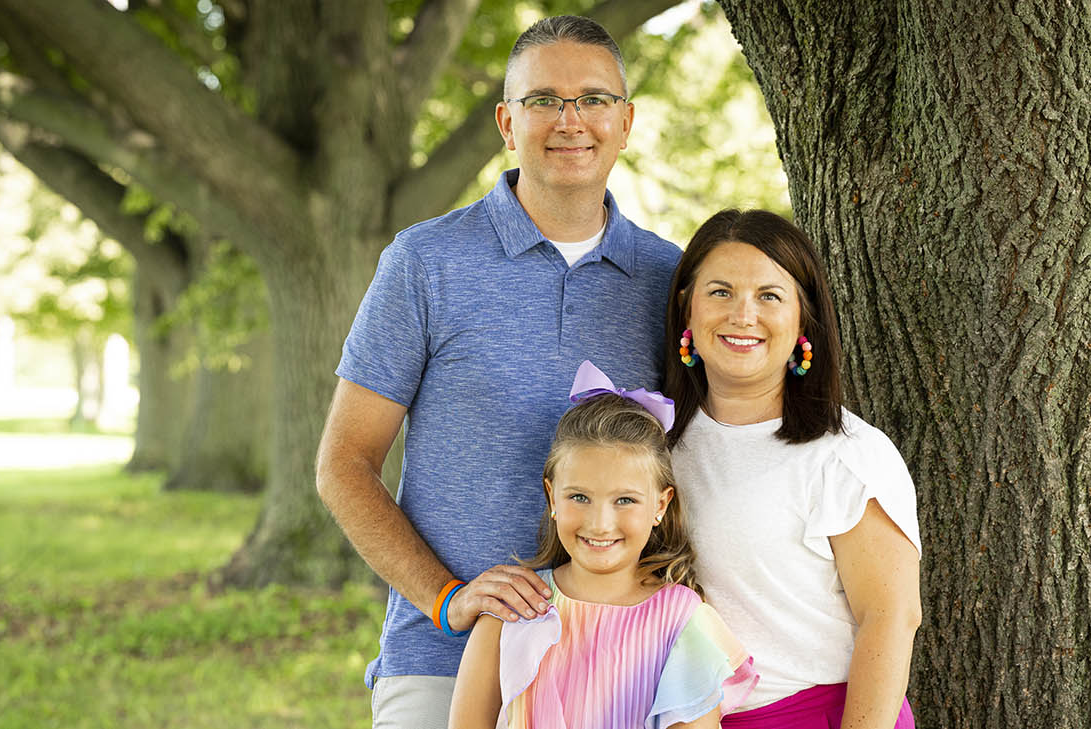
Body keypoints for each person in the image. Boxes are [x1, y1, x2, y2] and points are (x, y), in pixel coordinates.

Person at [314, 15, 682, 726]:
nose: (570, 119)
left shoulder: (669, 279)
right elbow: (343, 463)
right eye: (543, 99)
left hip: (619, 660)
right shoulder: (424, 263)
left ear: (627, 121)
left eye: (594, 99)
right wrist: (447, 596)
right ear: (507, 122)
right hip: (442, 663)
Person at [663, 210, 922, 728]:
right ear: (686, 309)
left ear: (803, 319)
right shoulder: (657, 446)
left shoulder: (846, 454)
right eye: (720, 292)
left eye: (769, 296)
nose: (742, 314)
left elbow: (891, 618)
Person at [448, 361, 757, 729]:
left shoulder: (682, 621)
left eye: (624, 500)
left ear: (660, 504)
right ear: (552, 497)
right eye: (579, 497)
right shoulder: (512, 609)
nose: (600, 523)